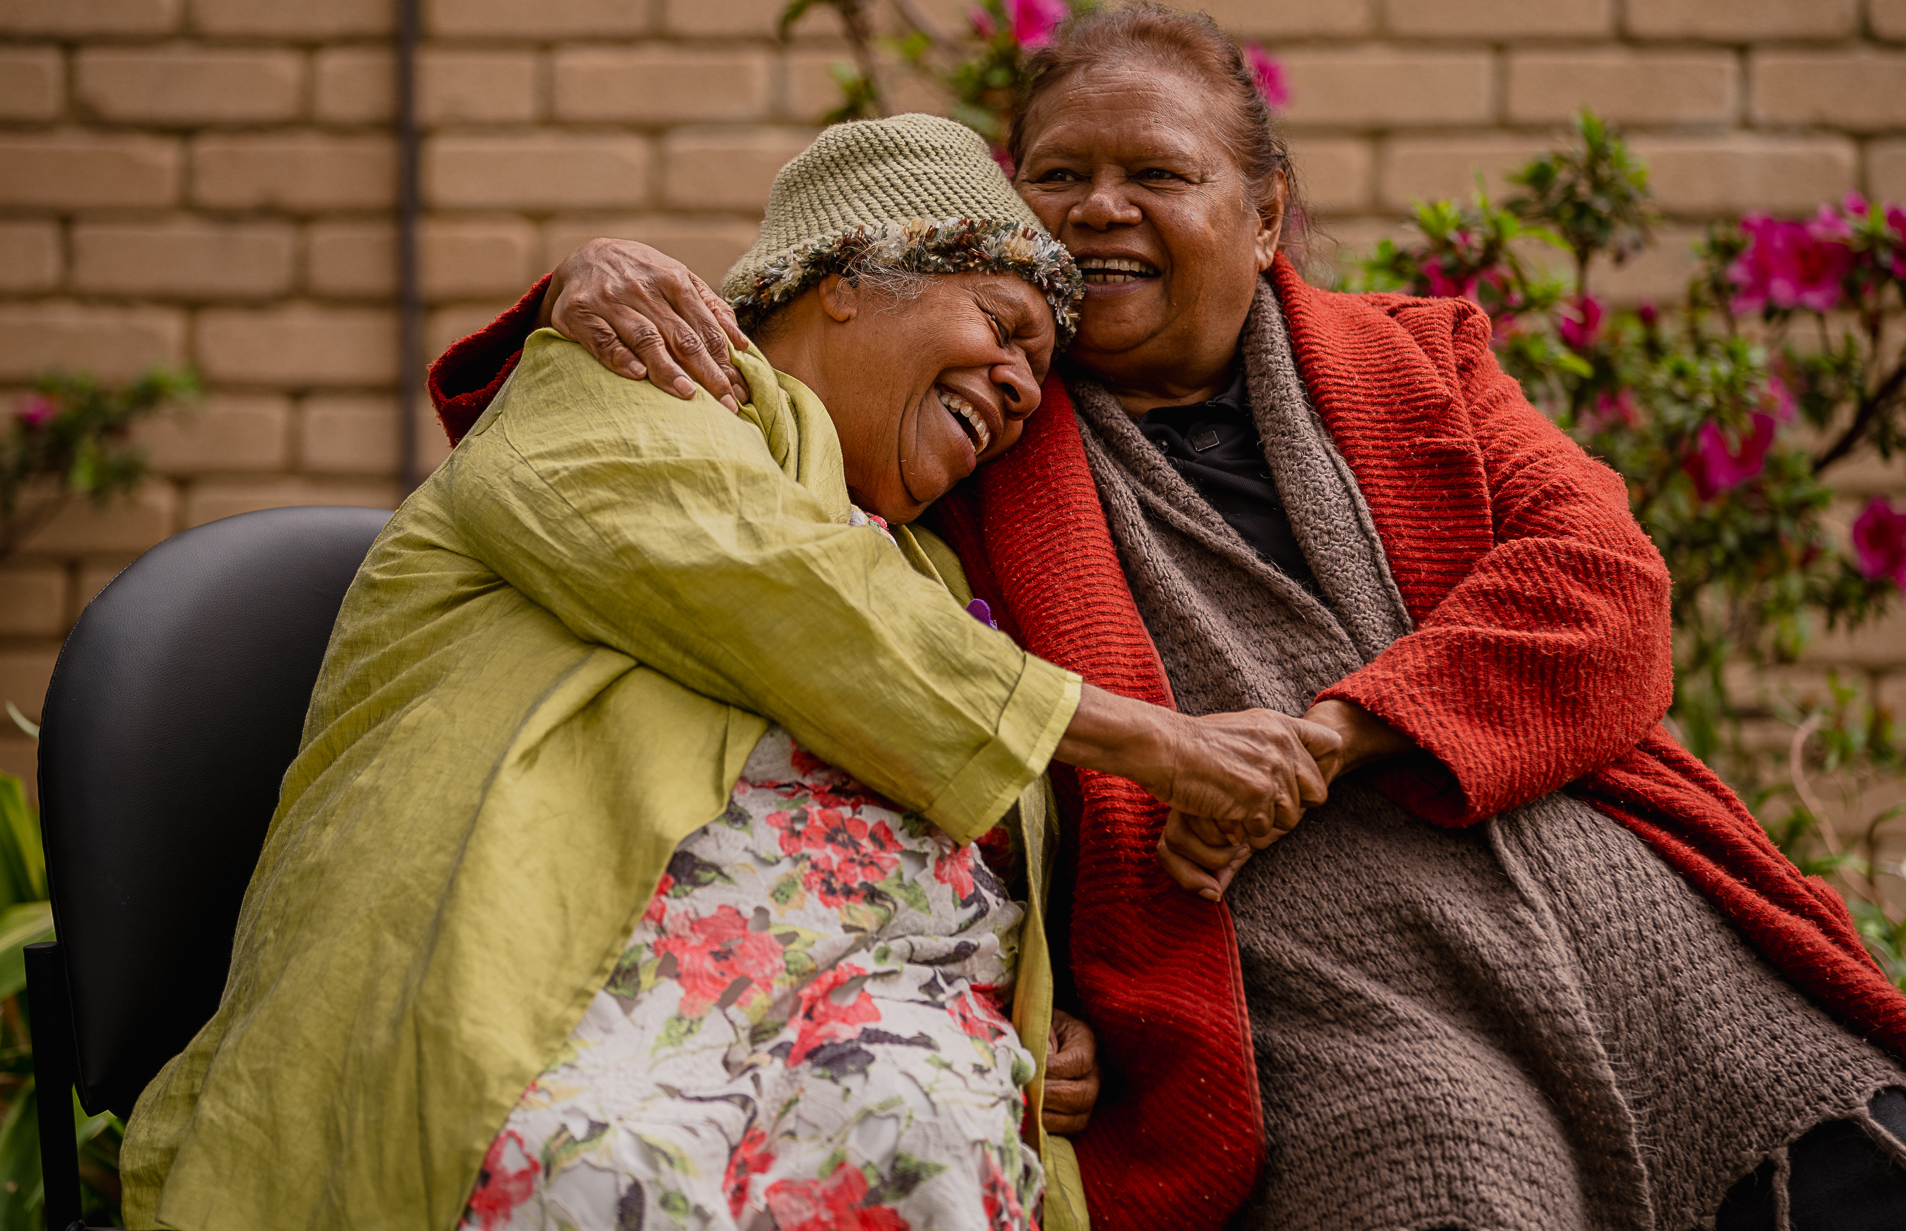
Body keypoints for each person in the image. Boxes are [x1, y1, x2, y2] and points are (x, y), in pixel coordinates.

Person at [431, 8, 1906, 1231]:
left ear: (1264, 217)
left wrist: (1334, 735)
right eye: (1058, 179)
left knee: (1872, 1168)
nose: (1100, 210)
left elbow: (1601, 590)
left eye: (1158, 175)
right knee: (1441, 1190)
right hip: (1307, 990)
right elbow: (757, 400)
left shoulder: (1419, 363)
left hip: (1615, 910)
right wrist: (594, 286)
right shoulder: (975, 419)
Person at [118, 115, 1344, 1231]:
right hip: (575, 995)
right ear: (850, 282)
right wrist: (1156, 740)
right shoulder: (626, 388)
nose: (1024, 388)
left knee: (922, 1150)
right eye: (1004, 327)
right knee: (602, 1167)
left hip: (848, 1038)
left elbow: (982, 826)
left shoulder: (924, 567)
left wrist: (1031, 1010)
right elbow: (779, 593)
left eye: (1037, 372)